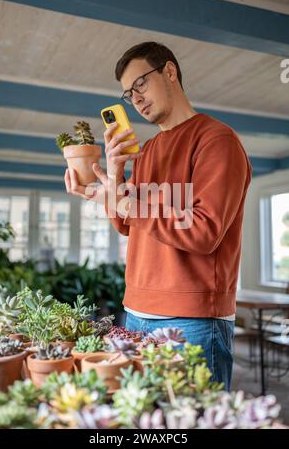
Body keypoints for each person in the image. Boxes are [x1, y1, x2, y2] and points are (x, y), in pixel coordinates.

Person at [65, 41, 252, 390]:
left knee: (192, 420)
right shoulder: (148, 150)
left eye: (140, 84)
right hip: (136, 312)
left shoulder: (217, 141)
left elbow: (203, 231)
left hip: (194, 320)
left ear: (169, 72)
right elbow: (126, 224)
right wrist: (113, 178)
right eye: (127, 94)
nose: (135, 99)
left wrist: (125, 204)